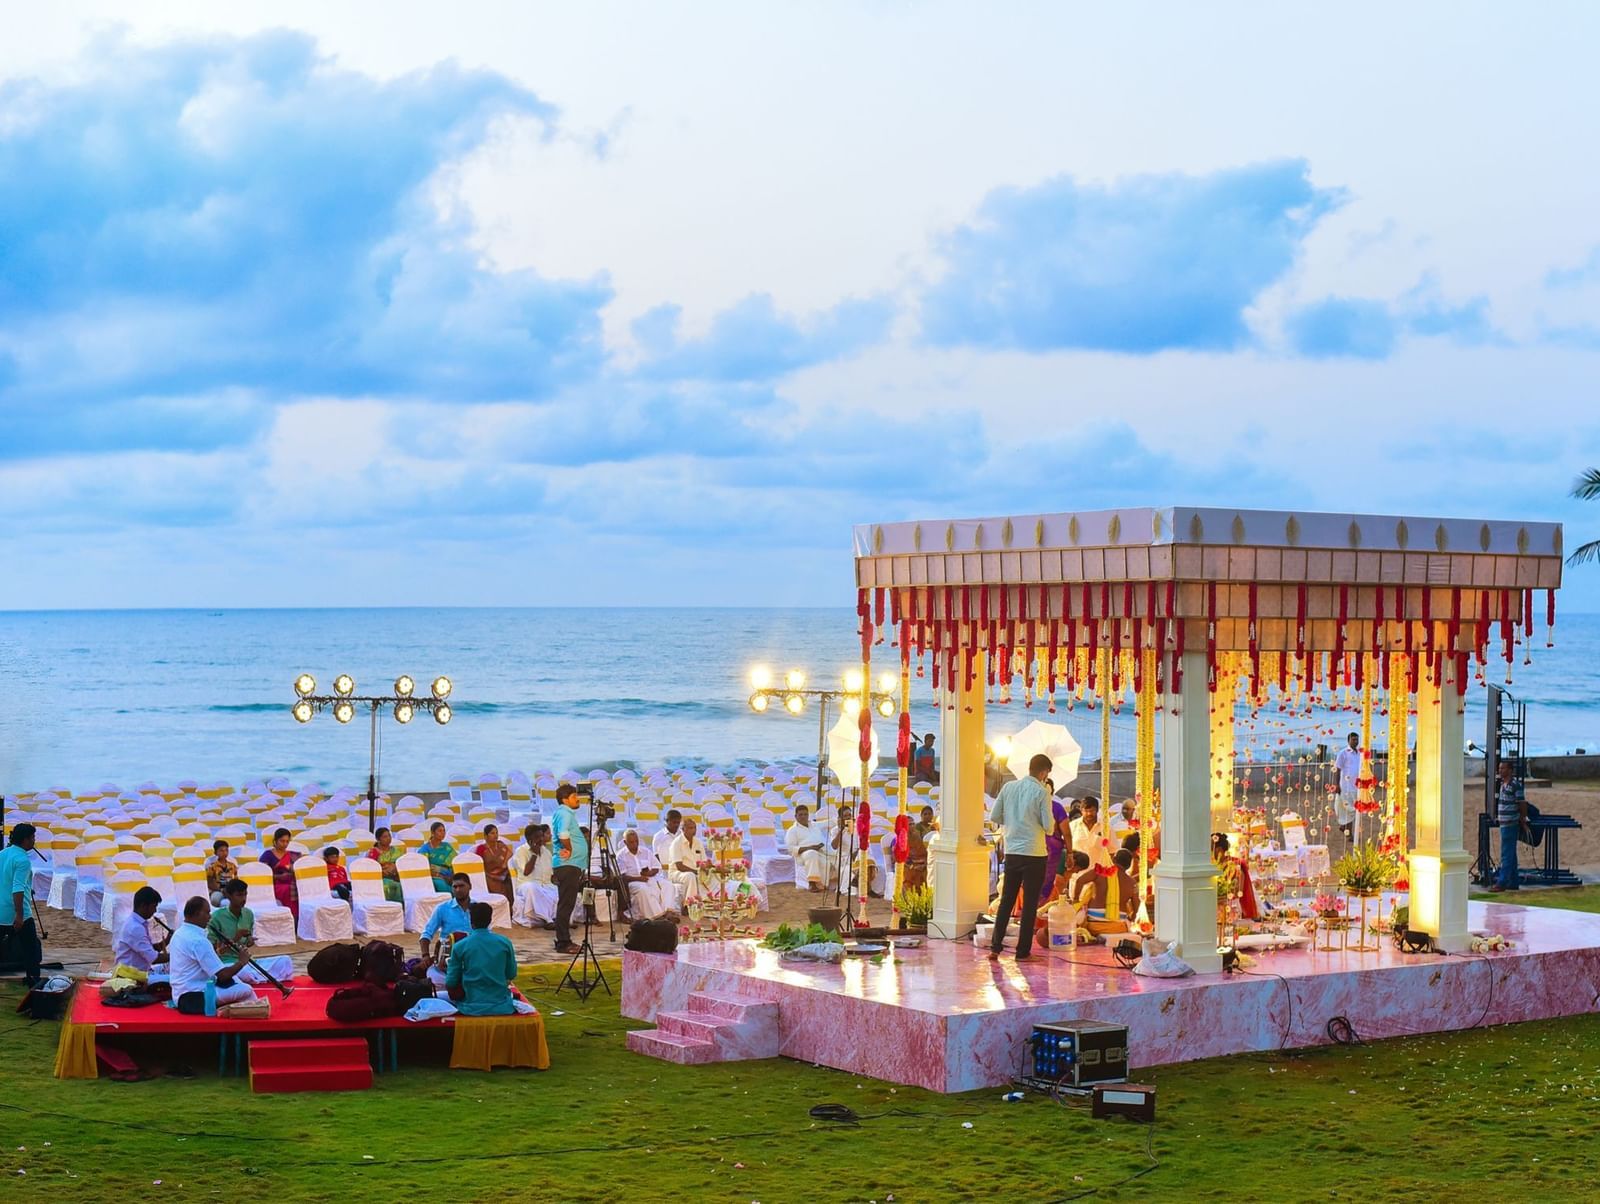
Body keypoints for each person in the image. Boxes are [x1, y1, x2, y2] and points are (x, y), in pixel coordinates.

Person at [986, 753, 1054, 962]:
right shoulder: (1042, 792)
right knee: (1030, 904)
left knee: (1007, 900)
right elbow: (1049, 827)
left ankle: (995, 948)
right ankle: (1022, 952)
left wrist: (1015, 819)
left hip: (1013, 851)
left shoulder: (1009, 787)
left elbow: (995, 816)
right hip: (1034, 853)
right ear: (1043, 772)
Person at [169, 896, 254, 1012]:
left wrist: (218, 952)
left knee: (236, 979)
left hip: (180, 993)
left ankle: (252, 1014)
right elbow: (223, 975)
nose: (210, 917)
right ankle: (255, 1019)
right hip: (193, 997)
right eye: (207, 913)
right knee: (246, 989)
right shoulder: (198, 940)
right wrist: (242, 962)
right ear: (196, 914)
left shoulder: (179, 933)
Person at [207, 878, 294, 985]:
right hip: (227, 964)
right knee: (244, 973)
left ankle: (256, 977)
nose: (243, 899)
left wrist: (249, 941)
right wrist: (236, 938)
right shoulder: (216, 917)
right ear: (228, 896)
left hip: (248, 962)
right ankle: (257, 977)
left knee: (285, 961)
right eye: (239, 895)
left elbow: (246, 944)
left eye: (245, 894)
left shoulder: (248, 914)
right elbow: (214, 952)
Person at [445, 901, 520, 1016]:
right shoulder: (505, 942)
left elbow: (451, 981)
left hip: (470, 1006)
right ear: (490, 920)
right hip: (501, 1004)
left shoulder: (460, 946)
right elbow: (511, 974)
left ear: (471, 922)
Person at [0, 824, 41, 987]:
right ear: (25, 840)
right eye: (32, 838)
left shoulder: (2, 854)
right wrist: (19, 915)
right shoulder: (22, 860)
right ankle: (34, 984)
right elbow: (17, 888)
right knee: (31, 951)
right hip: (17, 911)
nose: (34, 841)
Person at [420, 873, 476, 990]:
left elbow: (487, 933)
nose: (458, 890)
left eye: (461, 886)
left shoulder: (478, 908)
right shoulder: (442, 908)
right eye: (454, 887)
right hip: (448, 961)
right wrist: (425, 955)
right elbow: (426, 934)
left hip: (473, 958)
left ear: (470, 886)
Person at [550, 783, 588, 955]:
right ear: (565, 799)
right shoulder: (564, 813)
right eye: (574, 796)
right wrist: (571, 849)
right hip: (568, 864)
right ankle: (563, 942)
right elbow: (563, 834)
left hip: (571, 865)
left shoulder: (564, 813)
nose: (577, 799)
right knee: (566, 905)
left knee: (567, 904)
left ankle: (564, 940)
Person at [617, 829, 677, 920]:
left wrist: (650, 873)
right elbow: (622, 877)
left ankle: (669, 912)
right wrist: (639, 878)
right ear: (625, 842)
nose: (635, 844)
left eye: (636, 841)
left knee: (668, 885)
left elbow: (656, 867)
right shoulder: (621, 855)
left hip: (650, 878)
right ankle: (657, 916)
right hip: (633, 882)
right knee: (644, 889)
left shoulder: (646, 851)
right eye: (632, 842)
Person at [112, 886, 169, 973]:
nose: (155, 911)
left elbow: (149, 950)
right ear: (143, 906)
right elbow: (153, 958)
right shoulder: (135, 928)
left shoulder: (137, 923)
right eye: (154, 906)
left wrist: (168, 939)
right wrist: (178, 956)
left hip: (136, 973)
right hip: (129, 977)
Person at [511, 823, 558, 928]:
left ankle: (558, 919)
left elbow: (551, 874)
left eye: (541, 836)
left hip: (545, 884)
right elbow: (526, 872)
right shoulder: (521, 851)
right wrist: (534, 854)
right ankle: (548, 920)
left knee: (559, 891)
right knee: (532, 888)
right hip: (526, 884)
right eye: (537, 837)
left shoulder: (546, 852)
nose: (541, 839)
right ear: (529, 838)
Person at [1490, 759, 1526, 893]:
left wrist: (1522, 819)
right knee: (1511, 854)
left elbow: (1522, 803)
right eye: (1499, 768)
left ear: (1510, 770)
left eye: (1503, 768)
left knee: (1506, 854)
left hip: (1511, 823)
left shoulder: (1515, 785)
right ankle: (1513, 881)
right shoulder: (1502, 784)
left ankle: (1502, 882)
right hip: (1504, 823)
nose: (1500, 771)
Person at [785, 804, 831, 891]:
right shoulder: (792, 830)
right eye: (800, 815)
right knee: (811, 854)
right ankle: (812, 883)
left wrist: (840, 821)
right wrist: (810, 848)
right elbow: (791, 849)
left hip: (820, 851)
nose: (803, 817)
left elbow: (828, 823)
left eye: (805, 814)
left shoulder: (814, 825)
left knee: (827, 861)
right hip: (803, 854)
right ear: (796, 816)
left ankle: (823, 885)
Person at [665, 816, 708, 908]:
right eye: (690, 828)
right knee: (691, 876)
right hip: (677, 873)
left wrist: (708, 868)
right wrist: (697, 872)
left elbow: (704, 861)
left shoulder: (698, 842)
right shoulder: (676, 843)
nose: (693, 830)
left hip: (695, 872)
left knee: (712, 876)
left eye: (694, 828)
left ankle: (708, 904)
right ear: (683, 829)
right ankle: (688, 905)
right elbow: (679, 866)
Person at [258, 828, 301, 920]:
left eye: (287, 841)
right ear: (275, 841)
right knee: (289, 889)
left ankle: (299, 918)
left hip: (291, 882)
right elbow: (262, 874)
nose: (285, 844)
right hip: (275, 884)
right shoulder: (268, 855)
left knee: (299, 887)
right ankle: (290, 917)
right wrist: (278, 876)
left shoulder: (292, 855)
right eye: (282, 841)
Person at [1333, 732, 1362, 845]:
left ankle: (1344, 827)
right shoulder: (1343, 753)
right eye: (1353, 740)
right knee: (1347, 810)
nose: (1355, 742)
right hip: (1345, 786)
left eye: (1357, 739)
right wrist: (1336, 785)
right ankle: (1349, 833)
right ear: (1348, 741)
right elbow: (1338, 769)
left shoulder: (1360, 753)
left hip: (1356, 786)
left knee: (1354, 810)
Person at [475, 823, 514, 901]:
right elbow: (479, 864)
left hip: (505, 874)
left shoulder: (501, 845)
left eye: (496, 833)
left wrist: (504, 863)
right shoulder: (481, 849)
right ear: (485, 836)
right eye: (492, 833)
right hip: (489, 876)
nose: (495, 835)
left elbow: (510, 854)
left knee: (511, 880)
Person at [903, 805, 938, 891]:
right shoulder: (901, 839)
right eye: (909, 824)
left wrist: (924, 864)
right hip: (909, 866)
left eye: (913, 824)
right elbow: (901, 858)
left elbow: (923, 853)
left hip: (921, 864)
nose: (912, 826)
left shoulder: (917, 836)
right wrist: (913, 866)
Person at [1071, 798, 1112, 869]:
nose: (1089, 814)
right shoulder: (1072, 826)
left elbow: (1113, 851)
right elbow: (1065, 848)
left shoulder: (1106, 828)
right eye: (1086, 811)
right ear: (1081, 811)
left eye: (1092, 810)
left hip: (1098, 876)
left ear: (1097, 810)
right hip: (1076, 876)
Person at [366, 827, 404, 903]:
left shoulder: (396, 850)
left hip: (396, 876)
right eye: (385, 837)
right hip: (380, 878)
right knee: (393, 886)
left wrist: (395, 868)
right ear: (378, 839)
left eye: (389, 836)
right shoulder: (373, 852)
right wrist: (385, 870)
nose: (388, 838)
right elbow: (370, 868)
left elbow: (403, 864)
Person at [420, 822, 457, 894]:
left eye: (444, 830)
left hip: (450, 875)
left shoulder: (447, 846)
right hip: (434, 876)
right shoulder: (425, 848)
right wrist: (441, 876)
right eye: (440, 831)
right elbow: (424, 867)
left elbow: (455, 861)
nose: (443, 833)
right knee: (442, 885)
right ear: (433, 833)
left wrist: (453, 876)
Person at [204, 839, 238, 906]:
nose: (224, 853)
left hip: (230, 890)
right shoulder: (212, 866)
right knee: (215, 899)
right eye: (221, 851)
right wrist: (221, 890)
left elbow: (236, 880)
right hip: (217, 890)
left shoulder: (232, 866)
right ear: (215, 852)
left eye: (226, 850)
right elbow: (209, 882)